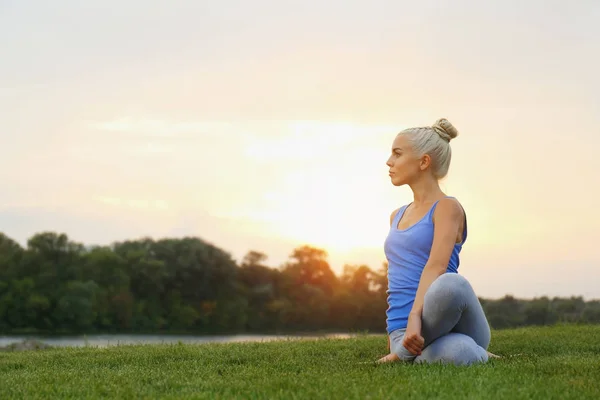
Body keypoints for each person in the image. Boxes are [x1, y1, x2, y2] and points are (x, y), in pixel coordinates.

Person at [376, 118, 496, 366]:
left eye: (397, 154)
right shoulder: (396, 215)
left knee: (451, 284)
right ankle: (412, 350)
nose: (389, 161)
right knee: (461, 352)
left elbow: (436, 266)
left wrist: (415, 317)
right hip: (403, 330)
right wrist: (404, 326)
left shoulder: (447, 208)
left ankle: (401, 357)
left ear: (424, 161)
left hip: (444, 320)